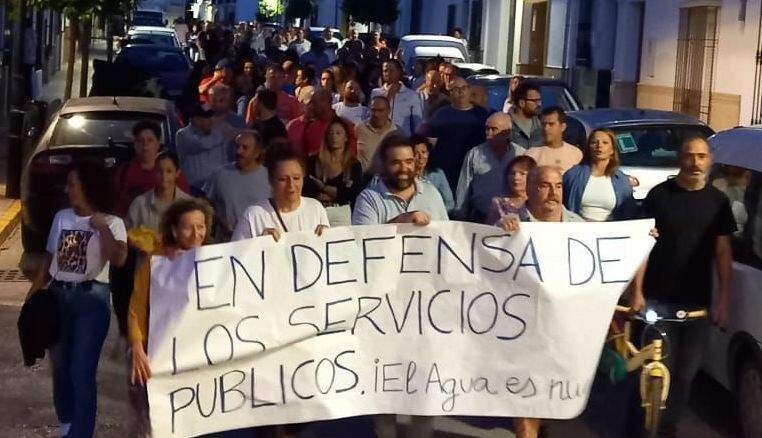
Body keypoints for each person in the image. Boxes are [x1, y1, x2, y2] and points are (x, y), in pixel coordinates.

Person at [629, 137, 735, 437]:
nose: (695, 162)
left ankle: (667, 429)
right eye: (690, 156)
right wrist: (636, 291)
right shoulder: (659, 196)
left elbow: (723, 254)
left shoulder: (718, 202)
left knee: (685, 376)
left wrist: (724, 300)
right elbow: (643, 246)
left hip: (697, 305)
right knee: (658, 370)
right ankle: (644, 425)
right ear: (680, 159)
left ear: (709, 161)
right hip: (657, 301)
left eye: (702, 156)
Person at [29, 158, 128, 438]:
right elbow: (49, 261)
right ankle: (66, 426)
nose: (68, 189)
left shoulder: (113, 222)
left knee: (81, 370)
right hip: (59, 297)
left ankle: (80, 434)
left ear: (88, 186)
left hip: (92, 300)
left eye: (73, 184)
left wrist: (101, 227)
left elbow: (119, 259)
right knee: (60, 368)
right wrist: (32, 297)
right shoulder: (62, 217)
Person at [127, 198, 213, 436]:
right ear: (175, 230)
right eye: (188, 227)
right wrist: (136, 346)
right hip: (160, 356)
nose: (196, 233)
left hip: (200, 361)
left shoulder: (219, 260)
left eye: (201, 226)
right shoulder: (156, 262)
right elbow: (137, 308)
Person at [232, 147, 330, 241]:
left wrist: (328, 236)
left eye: (296, 178)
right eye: (283, 179)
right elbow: (236, 253)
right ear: (271, 180)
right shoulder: (253, 215)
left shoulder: (315, 208)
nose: (291, 185)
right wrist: (259, 244)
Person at [353, 135, 448, 226]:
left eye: (409, 162)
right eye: (396, 163)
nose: (404, 168)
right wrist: (401, 220)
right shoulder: (368, 199)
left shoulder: (432, 193)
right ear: (383, 165)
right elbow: (365, 239)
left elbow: (445, 234)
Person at [454, 112, 526, 222]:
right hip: (480, 217)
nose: (488, 133)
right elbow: (464, 186)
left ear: (507, 132)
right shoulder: (474, 154)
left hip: (513, 218)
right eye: (487, 129)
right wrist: (459, 215)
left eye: (494, 129)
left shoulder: (521, 154)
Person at [425, 76, 490, 191]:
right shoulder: (441, 115)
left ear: (469, 90)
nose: (461, 91)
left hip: (476, 168)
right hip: (449, 171)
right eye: (456, 89)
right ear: (450, 93)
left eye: (464, 87)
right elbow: (430, 145)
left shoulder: (482, 115)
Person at [114, 121, 190, 217]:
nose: (145, 145)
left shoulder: (172, 173)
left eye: (150, 140)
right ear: (135, 144)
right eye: (140, 141)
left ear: (158, 144)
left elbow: (185, 205)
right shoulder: (124, 172)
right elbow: (118, 207)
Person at [205, 131, 271, 240]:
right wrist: (220, 219)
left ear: (257, 152)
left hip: (258, 242)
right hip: (226, 241)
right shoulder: (220, 174)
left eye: (245, 147)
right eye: (237, 146)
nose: (238, 151)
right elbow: (208, 204)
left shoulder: (270, 178)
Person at [563, 129, 637, 221]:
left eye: (605, 143)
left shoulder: (622, 180)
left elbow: (629, 213)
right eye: (594, 142)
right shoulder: (572, 175)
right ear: (589, 147)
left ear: (612, 150)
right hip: (578, 228)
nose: (599, 146)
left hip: (610, 231)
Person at [303, 118, 363, 226]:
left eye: (338, 133)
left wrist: (323, 188)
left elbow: (352, 194)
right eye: (330, 133)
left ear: (346, 138)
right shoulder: (313, 161)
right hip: (316, 210)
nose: (334, 137)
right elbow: (307, 189)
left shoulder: (353, 165)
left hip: (340, 212)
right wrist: (335, 192)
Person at [126, 151, 192, 233]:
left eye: (169, 171)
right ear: (154, 172)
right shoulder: (139, 204)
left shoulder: (189, 205)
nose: (164, 176)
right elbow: (128, 236)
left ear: (177, 173)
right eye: (160, 171)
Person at [286, 88, 357, 157]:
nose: (312, 107)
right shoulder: (311, 127)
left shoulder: (345, 126)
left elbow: (351, 153)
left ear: (325, 102)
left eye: (314, 103)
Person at [175, 105, 229, 190]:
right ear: (195, 119)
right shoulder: (183, 134)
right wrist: (224, 135)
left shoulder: (217, 133)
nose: (210, 120)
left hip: (217, 188)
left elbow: (224, 161)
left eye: (210, 117)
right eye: (206, 118)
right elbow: (203, 144)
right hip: (194, 189)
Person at [371, 59, 422, 135]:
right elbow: (372, 117)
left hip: (402, 140)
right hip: (380, 139)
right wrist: (388, 96)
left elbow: (417, 122)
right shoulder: (375, 93)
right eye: (385, 71)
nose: (387, 73)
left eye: (391, 71)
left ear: (399, 72)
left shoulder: (411, 95)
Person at [525, 106, 582, 173]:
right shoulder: (531, 154)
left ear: (563, 127)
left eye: (551, 124)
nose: (546, 128)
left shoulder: (575, 154)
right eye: (543, 124)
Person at [485, 155, 537, 225]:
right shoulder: (498, 203)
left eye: (522, 174)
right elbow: (488, 229)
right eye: (512, 173)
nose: (516, 177)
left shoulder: (539, 202)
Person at [355, 96, 401, 174]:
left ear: (388, 111)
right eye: (373, 110)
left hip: (387, 179)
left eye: (380, 111)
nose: (376, 114)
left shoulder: (397, 132)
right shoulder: (359, 128)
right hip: (363, 179)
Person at [411, 134, 454, 213]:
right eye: (415, 153)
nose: (420, 156)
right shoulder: (406, 176)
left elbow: (449, 203)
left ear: (429, 153)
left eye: (424, 152)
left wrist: (435, 215)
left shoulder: (438, 174)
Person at [508, 82, 543, 149]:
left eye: (539, 100)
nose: (539, 104)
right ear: (521, 103)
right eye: (535, 101)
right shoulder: (506, 126)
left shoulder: (543, 124)